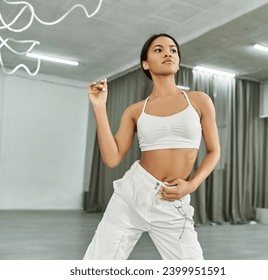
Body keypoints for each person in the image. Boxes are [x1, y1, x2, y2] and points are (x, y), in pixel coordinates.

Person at [83, 33, 220, 260]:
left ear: (178, 61)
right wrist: (99, 108)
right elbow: (112, 158)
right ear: (145, 64)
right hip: (132, 195)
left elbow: (214, 151)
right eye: (158, 49)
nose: (168, 52)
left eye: (173, 50)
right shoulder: (135, 111)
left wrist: (192, 185)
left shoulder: (199, 100)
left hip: (172, 200)